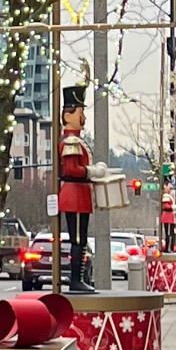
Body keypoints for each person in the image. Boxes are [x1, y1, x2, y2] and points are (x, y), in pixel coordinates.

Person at [57, 85, 94, 291]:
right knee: (78, 239)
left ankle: (79, 278)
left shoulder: (76, 140)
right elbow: (71, 168)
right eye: (81, 113)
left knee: (81, 238)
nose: (84, 118)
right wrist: (90, 172)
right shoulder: (71, 141)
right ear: (68, 115)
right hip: (75, 194)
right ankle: (75, 280)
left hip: (79, 193)